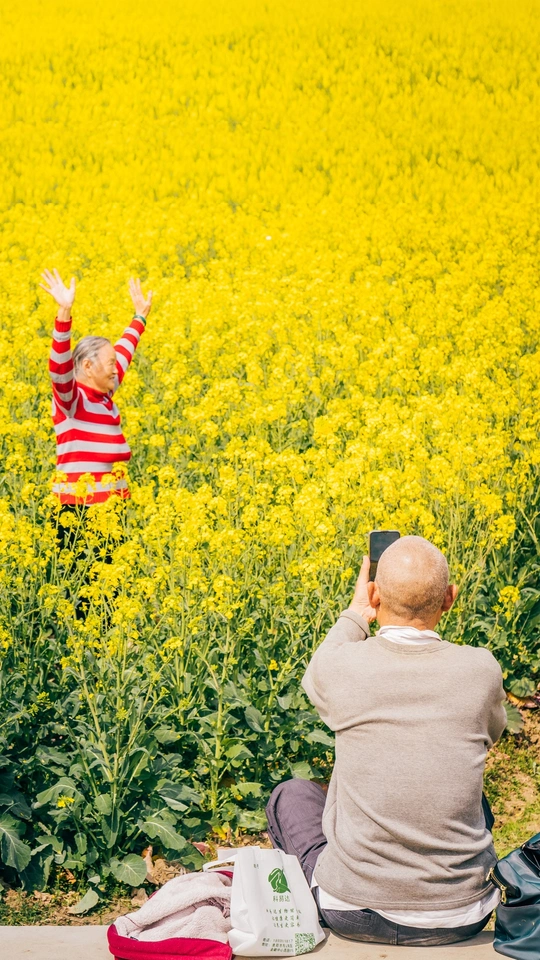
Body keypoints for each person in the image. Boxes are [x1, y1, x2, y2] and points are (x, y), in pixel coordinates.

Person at [266, 536, 507, 947]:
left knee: (291, 795)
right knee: (473, 800)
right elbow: (492, 734)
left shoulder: (343, 665)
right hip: (459, 914)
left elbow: (317, 670)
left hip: (350, 910)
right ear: (449, 599)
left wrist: (359, 612)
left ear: (376, 595)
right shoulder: (481, 670)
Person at [41, 268, 153, 512]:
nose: (116, 370)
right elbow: (60, 369)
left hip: (113, 508)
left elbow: (123, 352)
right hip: (77, 510)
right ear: (88, 367)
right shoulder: (72, 401)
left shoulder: (105, 394)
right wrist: (64, 313)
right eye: (109, 364)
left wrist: (140, 317)